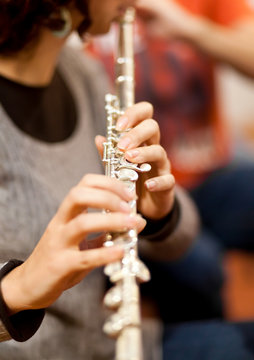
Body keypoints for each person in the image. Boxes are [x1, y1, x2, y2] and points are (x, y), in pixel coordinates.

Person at [0, 0, 200, 359]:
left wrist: (157, 214)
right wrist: (14, 289)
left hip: (109, 341)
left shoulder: (82, 73)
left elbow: (182, 241)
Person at [88, 0, 254, 324]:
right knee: (202, 270)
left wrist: (188, 29)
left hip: (212, 176)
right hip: (140, 201)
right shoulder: (84, 12)